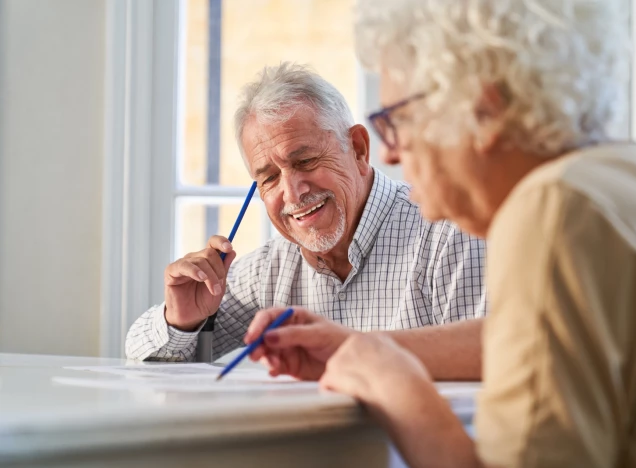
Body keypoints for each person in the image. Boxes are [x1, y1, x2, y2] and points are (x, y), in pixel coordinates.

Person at [246, 0, 636, 468]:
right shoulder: (632, 173)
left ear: (483, 109)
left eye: (395, 122)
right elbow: (531, 341)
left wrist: (396, 387)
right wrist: (361, 348)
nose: (391, 155)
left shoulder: (551, 209)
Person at [125, 63, 487, 372]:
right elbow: (139, 357)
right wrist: (182, 322)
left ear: (359, 149)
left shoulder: (448, 236)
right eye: (268, 177)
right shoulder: (271, 268)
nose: (293, 192)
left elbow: (493, 367)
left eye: (305, 161)